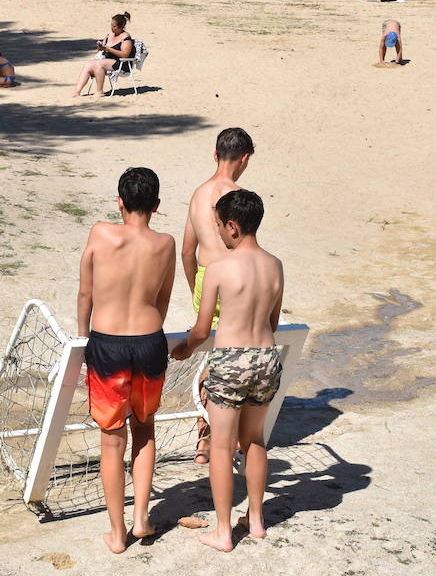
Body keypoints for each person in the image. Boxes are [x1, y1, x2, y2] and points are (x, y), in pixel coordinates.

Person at [170, 189, 285, 553]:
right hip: (266, 356)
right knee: (254, 439)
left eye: (219, 226)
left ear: (233, 227)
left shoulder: (219, 268)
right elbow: (273, 321)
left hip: (231, 359)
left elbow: (203, 329)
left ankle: (223, 530)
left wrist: (184, 349)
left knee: (221, 446)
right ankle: (255, 520)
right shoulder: (275, 265)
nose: (218, 233)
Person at [77, 167, 176, 554]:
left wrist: (84, 335)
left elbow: (86, 292)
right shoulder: (165, 243)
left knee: (111, 439)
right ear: (156, 206)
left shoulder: (101, 233)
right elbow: (164, 297)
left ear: (119, 201)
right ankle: (141, 520)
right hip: (151, 341)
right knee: (145, 429)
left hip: (108, 343)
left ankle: (117, 534)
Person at [181, 126, 254, 464]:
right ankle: (233, 437)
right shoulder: (239, 198)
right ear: (245, 158)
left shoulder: (198, 195)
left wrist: (196, 285)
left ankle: (203, 440)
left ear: (214, 155)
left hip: (205, 279)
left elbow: (186, 251)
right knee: (234, 355)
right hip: (234, 282)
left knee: (209, 357)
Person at [72, 12, 134, 97]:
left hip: (121, 63)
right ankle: (77, 91)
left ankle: (99, 91)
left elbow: (125, 54)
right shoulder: (109, 35)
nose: (112, 28)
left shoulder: (125, 37)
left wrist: (108, 49)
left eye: (114, 26)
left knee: (99, 64)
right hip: (107, 60)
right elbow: (103, 47)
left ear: (121, 26)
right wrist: (101, 47)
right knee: (88, 64)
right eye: (111, 25)